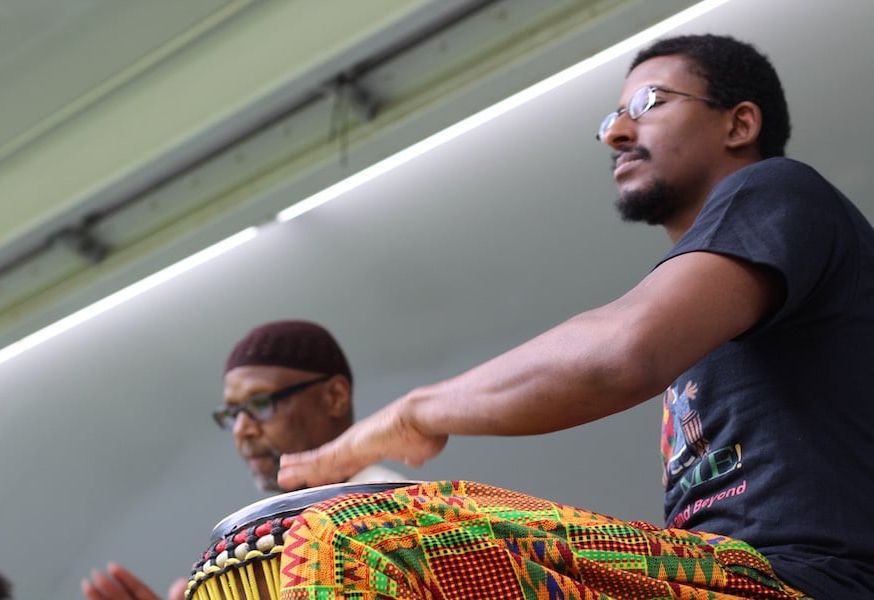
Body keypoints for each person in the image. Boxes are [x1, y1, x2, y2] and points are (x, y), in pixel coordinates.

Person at [275, 34, 874, 598]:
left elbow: (621, 354)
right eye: (611, 117)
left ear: (739, 123)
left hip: (803, 583)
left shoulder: (778, 189)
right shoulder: (726, 296)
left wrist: (416, 412)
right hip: (718, 577)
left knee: (361, 536)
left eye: (648, 102)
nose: (617, 132)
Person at [81, 320, 405, 600]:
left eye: (261, 403)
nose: (242, 429)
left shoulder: (400, 517)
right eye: (233, 413)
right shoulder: (268, 541)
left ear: (334, 397)